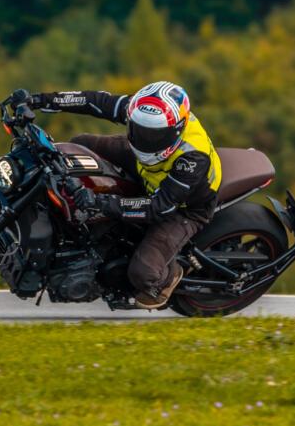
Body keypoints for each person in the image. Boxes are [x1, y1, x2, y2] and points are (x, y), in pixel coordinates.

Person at [27, 81, 222, 309]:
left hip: (185, 208)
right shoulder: (141, 110)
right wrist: (38, 100)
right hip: (149, 170)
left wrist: (101, 202)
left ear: (177, 129)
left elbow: (159, 207)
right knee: (79, 146)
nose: (146, 139)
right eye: (139, 130)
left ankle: (169, 276)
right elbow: (93, 101)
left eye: (155, 135)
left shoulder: (193, 158)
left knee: (143, 274)